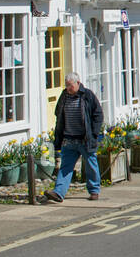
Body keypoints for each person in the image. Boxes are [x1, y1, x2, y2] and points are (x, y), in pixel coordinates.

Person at [44, 71, 105, 203]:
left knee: (90, 165)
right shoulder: (64, 96)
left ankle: (94, 190)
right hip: (69, 139)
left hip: (85, 139)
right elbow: (58, 113)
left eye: (70, 85)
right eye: (66, 85)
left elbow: (98, 114)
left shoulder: (87, 95)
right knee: (65, 167)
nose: (68, 88)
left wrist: (94, 133)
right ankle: (59, 193)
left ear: (78, 83)